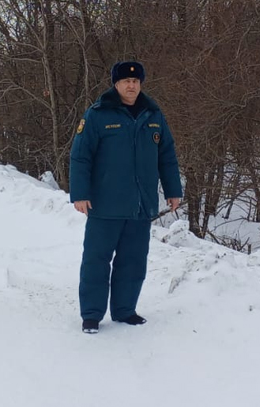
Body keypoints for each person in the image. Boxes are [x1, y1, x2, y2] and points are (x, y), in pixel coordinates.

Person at [69, 61, 182, 334]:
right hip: (104, 204)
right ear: (116, 84)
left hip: (140, 206)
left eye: (135, 81)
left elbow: (166, 155)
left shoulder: (153, 114)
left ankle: (125, 310)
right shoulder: (97, 115)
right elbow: (80, 156)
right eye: (125, 81)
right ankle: (92, 315)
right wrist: (80, 194)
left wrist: (173, 189)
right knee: (96, 261)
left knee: (133, 261)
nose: (131, 85)